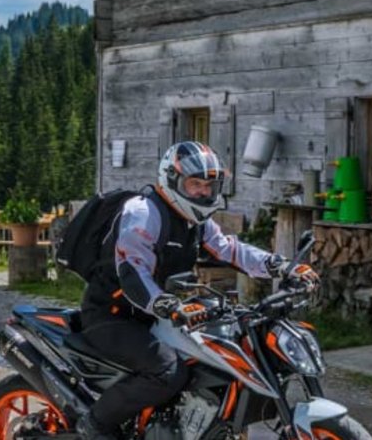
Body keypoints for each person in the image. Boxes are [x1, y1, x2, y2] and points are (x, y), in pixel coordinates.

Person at [74, 141, 320, 440]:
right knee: (167, 371)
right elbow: (132, 272)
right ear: (172, 180)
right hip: (113, 316)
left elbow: (230, 250)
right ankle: (95, 425)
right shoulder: (143, 212)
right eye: (195, 184)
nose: (203, 192)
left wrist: (282, 267)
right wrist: (167, 304)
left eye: (209, 185)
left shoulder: (196, 221)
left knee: (220, 360)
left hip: (157, 316)